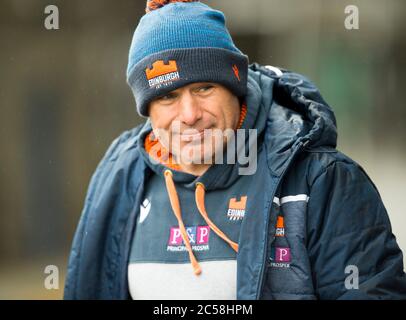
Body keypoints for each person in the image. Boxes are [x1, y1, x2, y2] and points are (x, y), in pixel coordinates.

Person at [64, 0, 406, 299]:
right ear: (147, 110)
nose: (189, 115)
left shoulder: (322, 182)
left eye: (204, 87)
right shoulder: (119, 181)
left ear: (236, 88)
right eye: (167, 96)